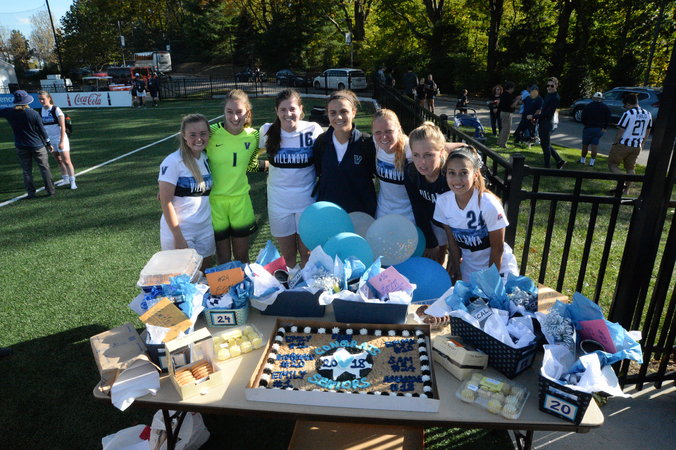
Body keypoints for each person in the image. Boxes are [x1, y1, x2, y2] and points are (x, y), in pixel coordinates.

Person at [433, 146, 518, 282]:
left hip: (499, 269)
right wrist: (458, 274)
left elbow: (498, 248)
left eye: (464, 173)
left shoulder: (488, 204)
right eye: (452, 173)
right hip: (469, 270)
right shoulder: (442, 202)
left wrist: (490, 281)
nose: (457, 179)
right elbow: (452, 243)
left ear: (475, 175)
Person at [259, 89, 323, 267]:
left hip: (307, 201)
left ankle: (307, 284)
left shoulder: (313, 130)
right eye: (283, 109)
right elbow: (251, 158)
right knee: (288, 257)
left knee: (307, 255)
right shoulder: (266, 131)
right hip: (279, 203)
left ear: (301, 109)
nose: (288, 114)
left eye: (292, 109)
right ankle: (292, 284)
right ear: (276, 111)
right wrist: (265, 166)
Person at [206, 89, 265, 263]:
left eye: (239, 111)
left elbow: (251, 165)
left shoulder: (253, 136)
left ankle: (244, 282)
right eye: (229, 112)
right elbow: (189, 157)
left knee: (242, 257)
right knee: (223, 259)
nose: (235, 117)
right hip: (214, 203)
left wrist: (275, 165)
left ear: (248, 112)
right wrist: (170, 184)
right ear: (224, 112)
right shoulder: (210, 132)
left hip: (240, 202)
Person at [158, 114, 215, 269]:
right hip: (182, 231)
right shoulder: (172, 161)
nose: (199, 139)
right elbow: (165, 202)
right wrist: (178, 237)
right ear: (184, 136)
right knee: (182, 278)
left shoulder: (205, 157)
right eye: (192, 135)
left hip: (204, 229)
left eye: (203, 134)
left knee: (204, 274)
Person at [404, 122, 465, 264]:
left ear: (442, 152)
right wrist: (431, 242)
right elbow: (418, 208)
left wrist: (457, 251)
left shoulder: (451, 175)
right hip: (435, 223)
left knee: (457, 268)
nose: (422, 162)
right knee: (434, 261)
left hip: (461, 228)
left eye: (428, 155)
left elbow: (463, 216)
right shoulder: (411, 172)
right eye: (416, 155)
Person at [313, 90, 377, 216]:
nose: (338, 117)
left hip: (360, 215)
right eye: (333, 113)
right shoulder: (321, 142)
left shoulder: (366, 142)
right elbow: (318, 172)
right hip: (329, 214)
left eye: (344, 111)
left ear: (353, 112)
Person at [0, 90, 55, 198]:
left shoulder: (9, 112)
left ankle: (30, 193)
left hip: (21, 146)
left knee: (26, 170)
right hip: (37, 146)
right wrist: (48, 143)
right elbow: (42, 130)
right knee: (44, 169)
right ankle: (50, 191)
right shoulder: (33, 113)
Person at [373, 109, 414, 222]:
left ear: (399, 130)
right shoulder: (376, 144)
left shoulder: (410, 149)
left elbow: (437, 146)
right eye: (378, 132)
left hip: (409, 217)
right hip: (383, 213)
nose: (384, 137)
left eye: (389, 131)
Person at [607, 93, 652, 193]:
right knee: (630, 168)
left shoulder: (628, 114)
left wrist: (615, 143)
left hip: (624, 144)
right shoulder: (648, 114)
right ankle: (626, 190)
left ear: (628, 104)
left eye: (625, 106)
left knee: (612, 164)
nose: (625, 108)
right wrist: (642, 143)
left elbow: (621, 130)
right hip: (637, 145)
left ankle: (621, 183)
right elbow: (648, 131)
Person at [38, 90, 76, 189]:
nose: (41, 101)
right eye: (40, 99)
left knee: (67, 161)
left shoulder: (56, 109)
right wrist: (47, 141)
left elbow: (63, 127)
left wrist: (62, 141)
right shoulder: (40, 111)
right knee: (59, 160)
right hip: (50, 140)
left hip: (60, 139)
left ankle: (72, 181)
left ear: (49, 98)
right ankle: (65, 179)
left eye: (43, 99)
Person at [535, 77, 566, 168]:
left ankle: (547, 167)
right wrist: (537, 116)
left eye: (551, 86)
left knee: (545, 146)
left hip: (547, 122)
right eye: (548, 85)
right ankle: (559, 161)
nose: (549, 87)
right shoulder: (548, 95)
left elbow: (548, 113)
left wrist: (534, 116)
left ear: (556, 86)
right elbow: (544, 109)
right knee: (545, 144)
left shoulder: (555, 97)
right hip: (543, 121)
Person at [580, 91, 611, 167]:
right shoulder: (605, 107)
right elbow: (608, 119)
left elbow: (583, 117)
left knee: (585, 145)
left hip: (588, 128)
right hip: (598, 129)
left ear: (593, 98)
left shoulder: (588, 106)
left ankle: (582, 160)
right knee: (594, 146)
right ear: (601, 99)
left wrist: (586, 124)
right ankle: (591, 163)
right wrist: (604, 127)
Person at [497, 81, 517, 148]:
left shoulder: (503, 94)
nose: (513, 90)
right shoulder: (508, 95)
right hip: (507, 113)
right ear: (510, 88)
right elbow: (511, 105)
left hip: (502, 113)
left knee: (503, 128)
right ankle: (503, 144)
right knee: (506, 130)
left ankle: (499, 142)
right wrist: (517, 101)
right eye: (513, 88)